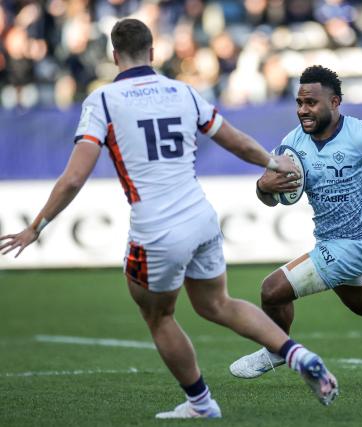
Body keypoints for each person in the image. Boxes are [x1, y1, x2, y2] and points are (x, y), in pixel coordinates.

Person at [0, 19, 338, 418]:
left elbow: (74, 177)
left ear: (114, 56)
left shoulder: (102, 101)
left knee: (159, 315)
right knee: (218, 303)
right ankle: (297, 355)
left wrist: (36, 226)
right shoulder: (183, 92)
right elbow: (234, 140)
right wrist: (271, 161)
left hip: (156, 228)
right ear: (154, 52)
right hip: (201, 217)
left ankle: (200, 403)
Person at [229, 65, 362, 385]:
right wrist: (264, 187)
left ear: (334, 102)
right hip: (330, 241)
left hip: (355, 244)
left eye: (311, 103)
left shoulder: (361, 134)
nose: (303, 110)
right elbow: (271, 198)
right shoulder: (292, 144)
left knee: (272, 291)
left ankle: (276, 349)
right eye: (300, 102)